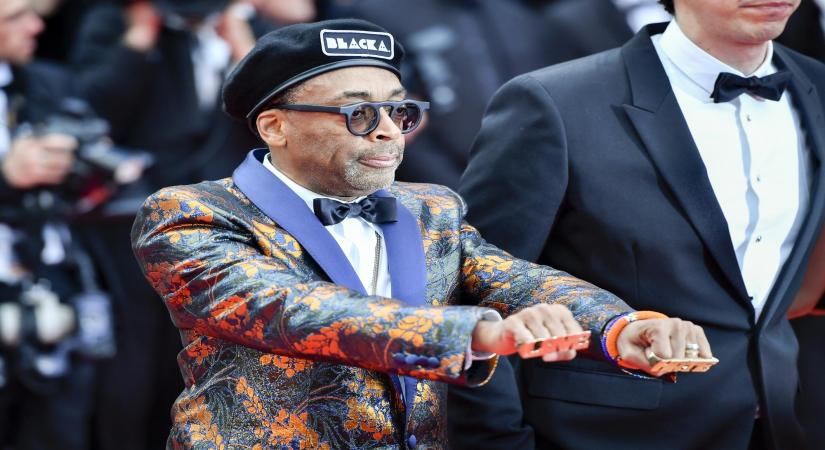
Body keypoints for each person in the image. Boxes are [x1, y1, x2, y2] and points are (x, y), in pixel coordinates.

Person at [130, 18, 715, 449]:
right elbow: (296, 311)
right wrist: (482, 333)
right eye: (359, 114)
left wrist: (618, 327)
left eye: (400, 111)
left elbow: (517, 280)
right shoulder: (189, 212)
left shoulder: (432, 206)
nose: (390, 133)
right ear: (275, 126)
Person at [456, 0, 825, 449]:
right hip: (603, 434)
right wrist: (496, 440)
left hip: (783, 422)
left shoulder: (817, 87)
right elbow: (472, 291)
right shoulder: (555, 102)